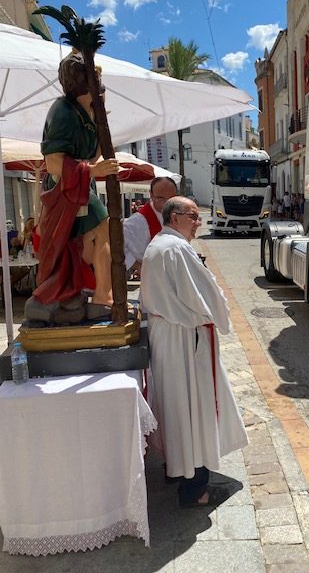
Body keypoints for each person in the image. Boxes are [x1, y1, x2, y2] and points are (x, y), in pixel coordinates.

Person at [141, 196, 248, 508]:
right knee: (192, 410)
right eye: (193, 216)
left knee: (174, 407)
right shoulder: (177, 248)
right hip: (183, 339)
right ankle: (195, 490)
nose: (199, 222)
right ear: (175, 218)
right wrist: (216, 316)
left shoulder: (159, 244)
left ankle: (177, 469)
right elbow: (203, 296)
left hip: (167, 335)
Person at [33, 51, 119, 311]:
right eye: (97, 79)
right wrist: (93, 171)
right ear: (86, 83)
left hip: (79, 185)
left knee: (87, 237)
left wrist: (101, 127)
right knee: (102, 229)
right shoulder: (63, 112)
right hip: (66, 189)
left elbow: (90, 156)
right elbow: (53, 163)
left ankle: (94, 292)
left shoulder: (86, 112)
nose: (101, 87)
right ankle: (103, 295)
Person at [123, 176, 178, 278]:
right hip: (154, 277)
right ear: (151, 195)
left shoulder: (179, 215)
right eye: (161, 198)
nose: (167, 202)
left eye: (171, 198)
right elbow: (116, 246)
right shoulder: (136, 222)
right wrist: (137, 265)